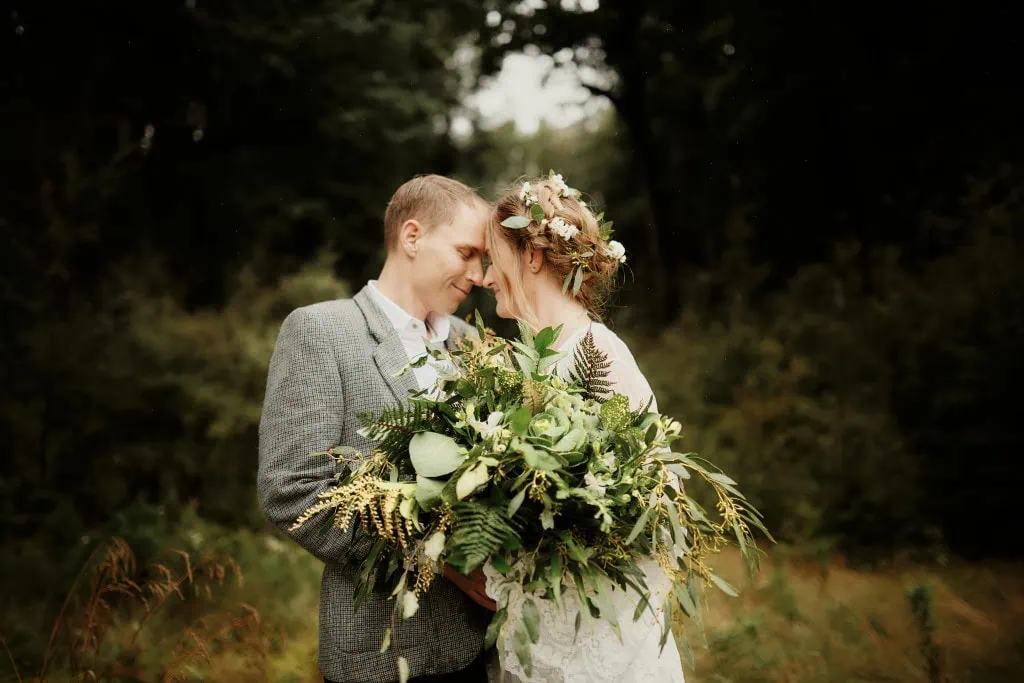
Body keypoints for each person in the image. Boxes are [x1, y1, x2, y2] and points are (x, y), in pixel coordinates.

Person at [258, 175, 496, 683]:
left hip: (473, 647)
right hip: (376, 652)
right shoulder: (321, 331)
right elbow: (291, 490)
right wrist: (441, 561)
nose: (478, 274)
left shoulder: (471, 342)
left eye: (484, 259)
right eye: (467, 252)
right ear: (412, 237)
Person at [480, 173, 686, 682]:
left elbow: (662, 498)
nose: (484, 277)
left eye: (492, 257)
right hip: (541, 630)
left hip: (599, 638)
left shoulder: (600, 353)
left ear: (531, 256)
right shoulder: (523, 362)